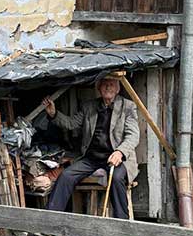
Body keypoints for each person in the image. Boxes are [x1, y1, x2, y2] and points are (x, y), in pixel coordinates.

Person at [43, 75, 139, 220]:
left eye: (112, 84)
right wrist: (54, 114)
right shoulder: (89, 106)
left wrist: (120, 152)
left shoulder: (128, 107)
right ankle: (50, 221)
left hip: (116, 158)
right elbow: (71, 124)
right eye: (105, 84)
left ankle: (122, 224)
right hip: (92, 158)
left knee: (117, 178)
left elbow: (133, 136)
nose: (108, 87)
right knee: (66, 176)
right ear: (99, 88)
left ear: (118, 89)